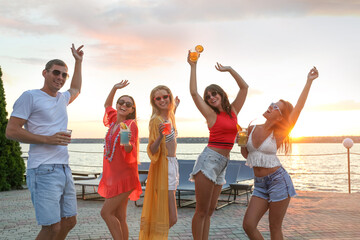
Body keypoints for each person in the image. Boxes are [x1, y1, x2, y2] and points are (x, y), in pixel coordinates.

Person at [5, 44, 84, 240]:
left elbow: (76, 89)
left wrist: (78, 62)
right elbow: (11, 131)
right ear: (45, 73)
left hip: (64, 168)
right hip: (42, 169)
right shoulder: (30, 96)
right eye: (56, 73)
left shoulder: (62, 98)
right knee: (52, 227)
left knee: (69, 221)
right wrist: (47, 139)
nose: (60, 77)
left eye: (63, 74)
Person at [241, 67, 319, 240]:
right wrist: (240, 142)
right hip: (260, 184)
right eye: (272, 103)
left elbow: (297, 109)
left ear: (280, 117)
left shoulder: (279, 134)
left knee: (274, 228)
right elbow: (247, 155)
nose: (270, 106)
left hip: (278, 181)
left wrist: (309, 81)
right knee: (248, 225)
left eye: (275, 107)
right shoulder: (252, 128)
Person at [187, 52, 249, 240]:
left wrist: (229, 69)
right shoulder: (210, 114)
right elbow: (193, 93)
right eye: (208, 96)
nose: (211, 97)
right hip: (209, 161)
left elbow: (245, 88)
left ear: (221, 94)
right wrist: (193, 66)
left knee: (211, 210)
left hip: (223, 163)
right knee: (201, 211)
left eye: (214, 93)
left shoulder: (233, 111)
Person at [98, 80, 142, 240]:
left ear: (132, 109)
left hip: (125, 176)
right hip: (113, 176)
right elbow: (107, 105)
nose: (124, 105)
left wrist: (127, 142)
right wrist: (114, 87)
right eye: (121, 102)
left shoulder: (130, 124)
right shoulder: (113, 120)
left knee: (105, 213)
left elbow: (130, 150)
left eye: (128, 104)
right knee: (120, 216)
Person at [139, 85, 180, 240]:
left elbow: (170, 122)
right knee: (171, 218)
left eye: (165, 97)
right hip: (163, 167)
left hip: (172, 164)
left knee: (167, 217)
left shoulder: (169, 117)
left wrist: (175, 108)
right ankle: (152, 237)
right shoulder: (155, 120)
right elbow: (152, 150)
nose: (162, 100)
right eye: (158, 98)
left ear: (170, 97)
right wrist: (160, 136)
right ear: (154, 102)